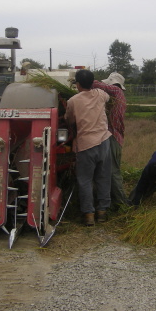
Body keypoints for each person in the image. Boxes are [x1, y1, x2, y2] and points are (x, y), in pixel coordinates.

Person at [65, 69, 112, 226]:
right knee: (103, 177)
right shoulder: (100, 93)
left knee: (85, 180)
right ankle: (102, 212)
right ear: (92, 83)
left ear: (77, 84)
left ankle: (89, 214)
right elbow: (108, 97)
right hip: (104, 141)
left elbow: (69, 120)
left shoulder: (73, 101)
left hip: (86, 144)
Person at [91, 72, 129, 208]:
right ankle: (113, 201)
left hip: (113, 137)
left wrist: (83, 79)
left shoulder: (117, 91)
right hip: (112, 137)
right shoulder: (115, 96)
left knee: (113, 172)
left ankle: (121, 203)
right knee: (106, 171)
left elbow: (96, 84)